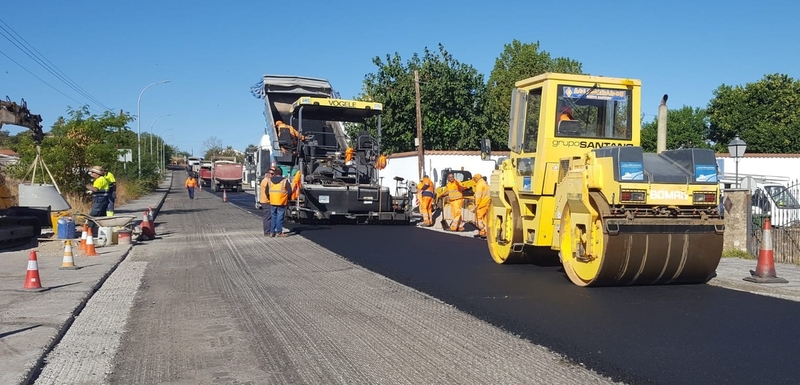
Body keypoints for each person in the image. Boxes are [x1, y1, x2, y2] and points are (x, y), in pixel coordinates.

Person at [266, 167, 293, 237]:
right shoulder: (285, 181)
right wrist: (288, 199)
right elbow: (290, 191)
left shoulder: (269, 181)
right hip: (281, 202)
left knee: (273, 217)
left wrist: (270, 198)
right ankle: (279, 232)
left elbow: (266, 192)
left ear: (274, 173)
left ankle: (272, 232)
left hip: (272, 202)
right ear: (281, 173)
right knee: (279, 217)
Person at [86, 166, 110, 237]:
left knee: (92, 215)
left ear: (97, 174)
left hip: (100, 200)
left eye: (93, 172)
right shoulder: (103, 179)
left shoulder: (99, 180)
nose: (92, 174)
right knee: (102, 217)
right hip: (104, 199)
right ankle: (104, 233)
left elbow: (95, 189)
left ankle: (89, 231)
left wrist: (85, 186)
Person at [472, 174, 490, 239]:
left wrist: (477, 205)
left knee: (478, 218)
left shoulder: (479, 185)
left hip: (482, 204)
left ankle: (482, 232)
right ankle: (486, 232)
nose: (474, 181)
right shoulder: (485, 184)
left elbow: (478, 196)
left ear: (477, 178)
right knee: (485, 219)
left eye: (474, 179)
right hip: (487, 203)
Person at [259, 167, 275, 236]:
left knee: (268, 217)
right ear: (268, 174)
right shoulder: (266, 181)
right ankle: (267, 232)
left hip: (265, 201)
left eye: (273, 174)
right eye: (271, 174)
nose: (273, 175)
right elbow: (267, 192)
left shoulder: (266, 180)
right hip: (266, 201)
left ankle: (268, 230)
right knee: (267, 217)